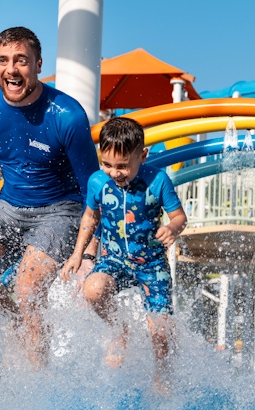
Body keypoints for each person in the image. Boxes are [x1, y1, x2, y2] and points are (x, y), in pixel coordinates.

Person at [0, 27, 100, 369]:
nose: (11, 69)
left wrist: (90, 248)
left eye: (21, 60)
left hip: (60, 209)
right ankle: (3, 305)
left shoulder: (67, 115)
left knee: (28, 289)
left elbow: (93, 185)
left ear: (38, 64)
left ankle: (36, 381)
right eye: (2, 60)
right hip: (8, 204)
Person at [60, 117, 187, 394]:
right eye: (107, 164)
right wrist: (77, 254)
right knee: (93, 290)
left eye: (122, 166)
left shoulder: (158, 180)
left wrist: (172, 228)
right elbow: (90, 218)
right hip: (113, 259)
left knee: (161, 332)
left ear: (142, 155)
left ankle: (162, 375)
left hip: (151, 264)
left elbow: (179, 216)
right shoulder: (97, 182)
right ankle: (120, 330)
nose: (114, 172)